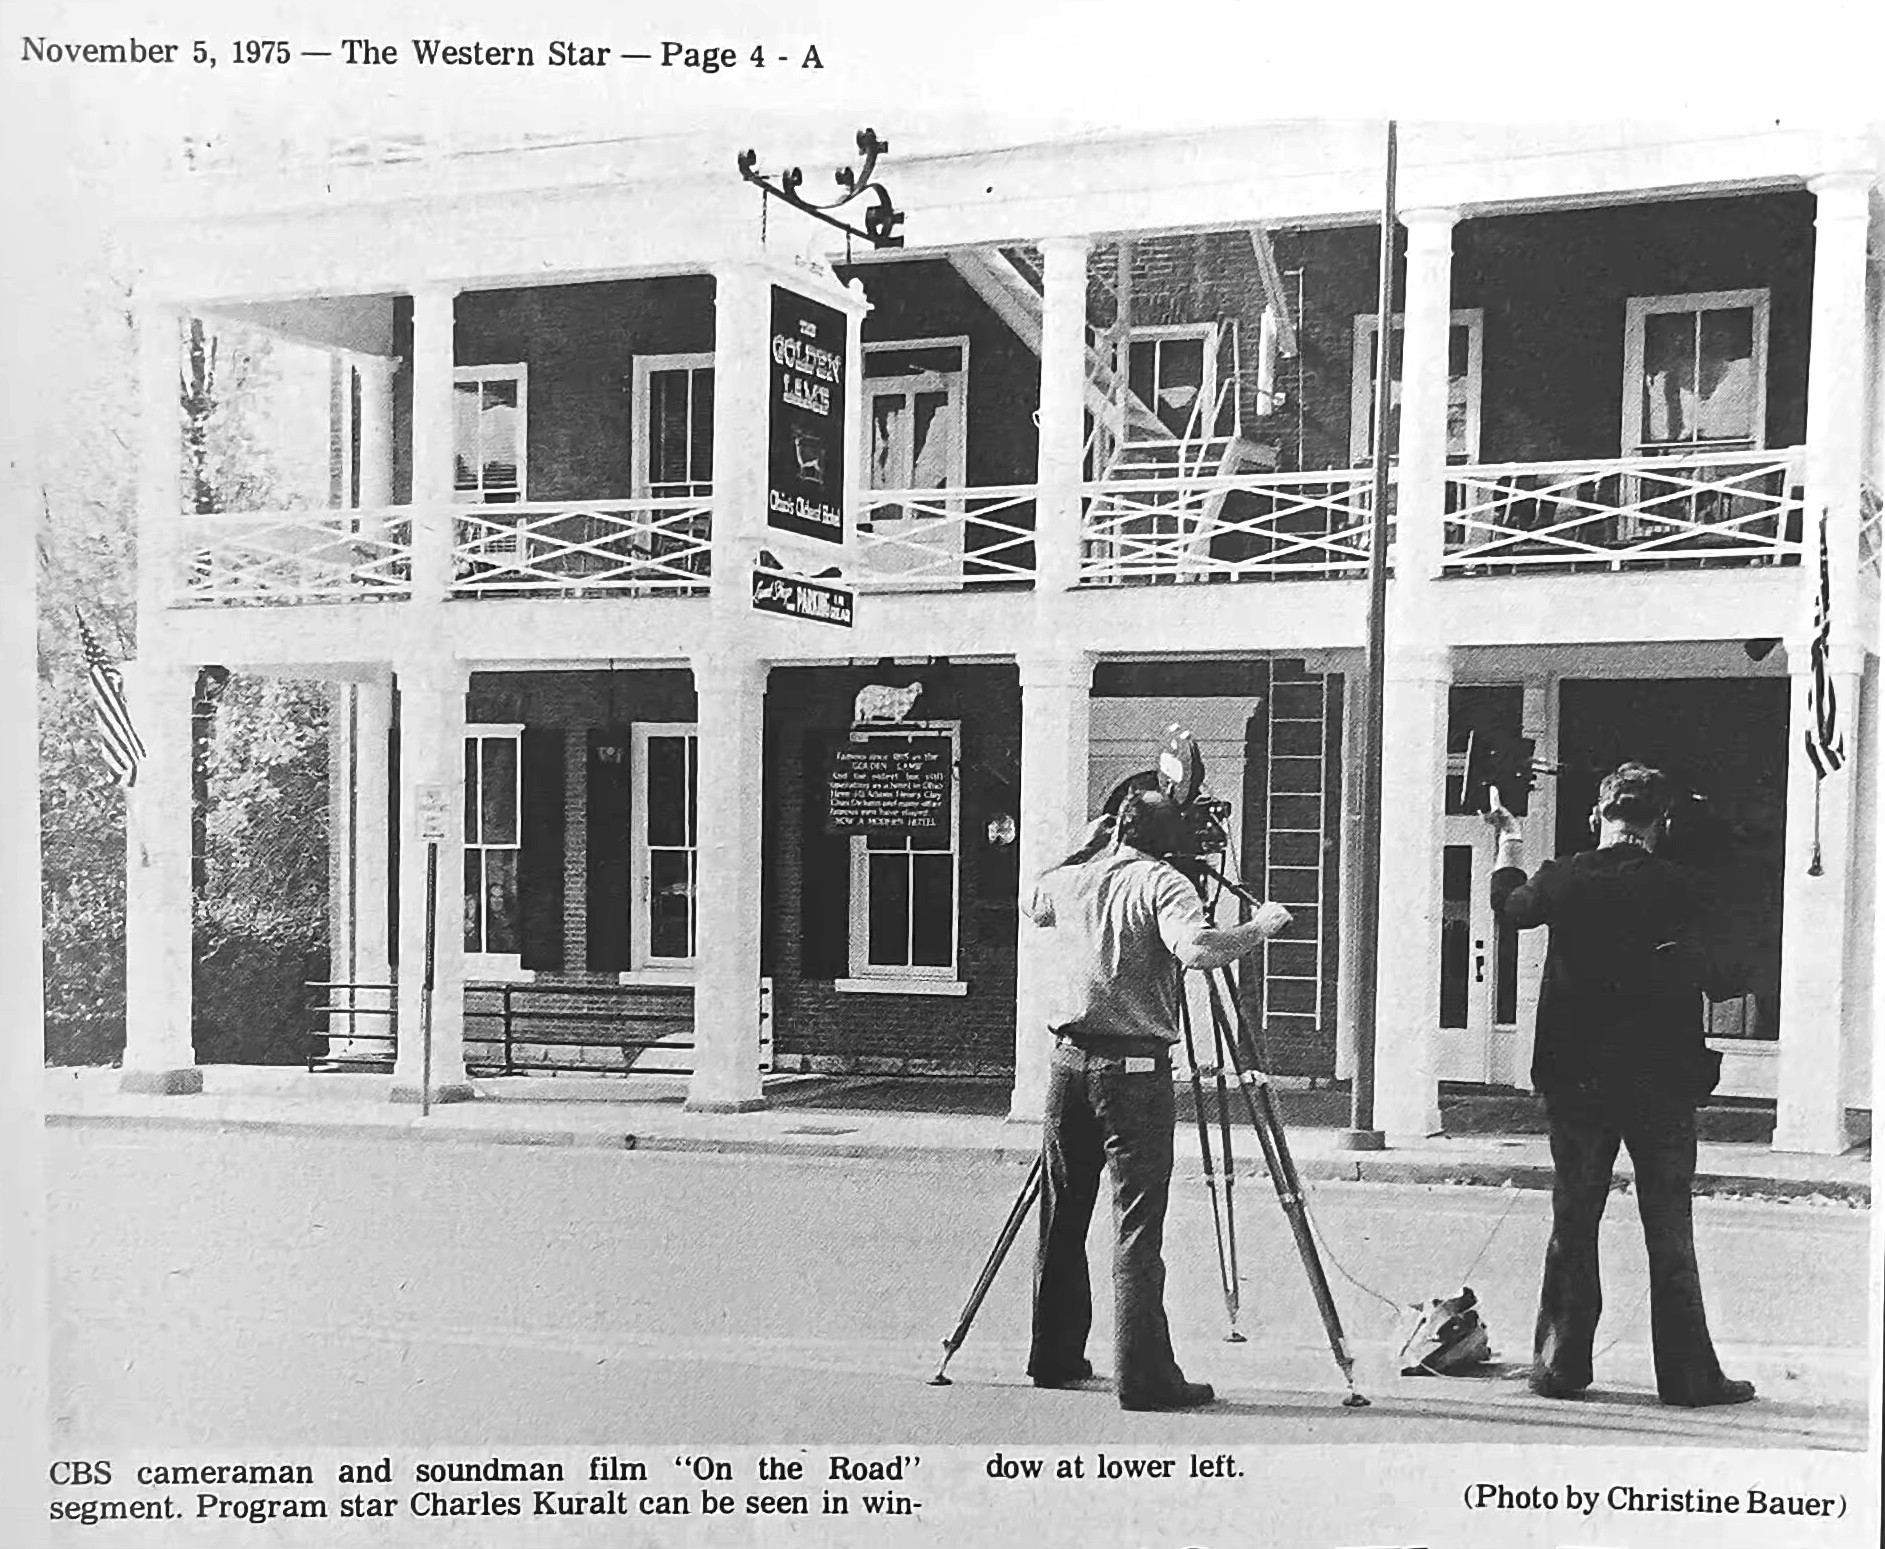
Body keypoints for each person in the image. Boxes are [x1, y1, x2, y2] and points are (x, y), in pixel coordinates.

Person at [1487, 761, 1755, 1407]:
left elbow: (1508, 907)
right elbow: (1727, 976)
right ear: (1659, 824)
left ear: (1594, 818)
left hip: (1575, 1081)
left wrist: (1508, 840)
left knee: (1573, 1219)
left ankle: (1559, 1364)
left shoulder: (1562, 875)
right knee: (1669, 1228)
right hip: (1659, 1082)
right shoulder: (1682, 886)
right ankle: (1689, 1377)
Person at [1022, 788, 1292, 1411]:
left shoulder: (1070, 879)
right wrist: (1260, 926)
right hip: (1133, 1076)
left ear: (1115, 828)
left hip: (1067, 1068)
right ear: (1171, 840)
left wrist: (1085, 846)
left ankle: (1054, 1355)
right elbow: (1196, 950)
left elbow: (1029, 898)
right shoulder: (1164, 883)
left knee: (1062, 1216)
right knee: (1137, 1227)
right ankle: (1144, 1377)